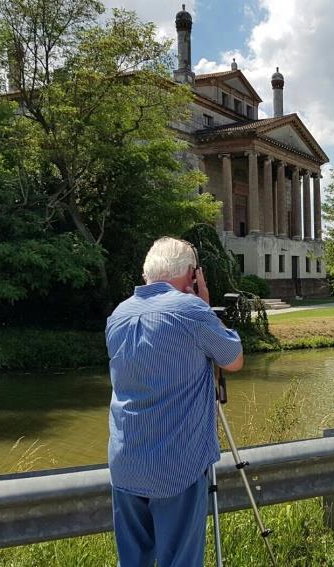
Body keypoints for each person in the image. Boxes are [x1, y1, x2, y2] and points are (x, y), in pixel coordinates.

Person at [106, 237, 243, 567]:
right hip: (175, 466)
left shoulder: (118, 315)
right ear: (192, 275)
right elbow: (234, 360)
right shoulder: (191, 310)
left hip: (125, 463)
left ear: (146, 274)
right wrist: (206, 306)